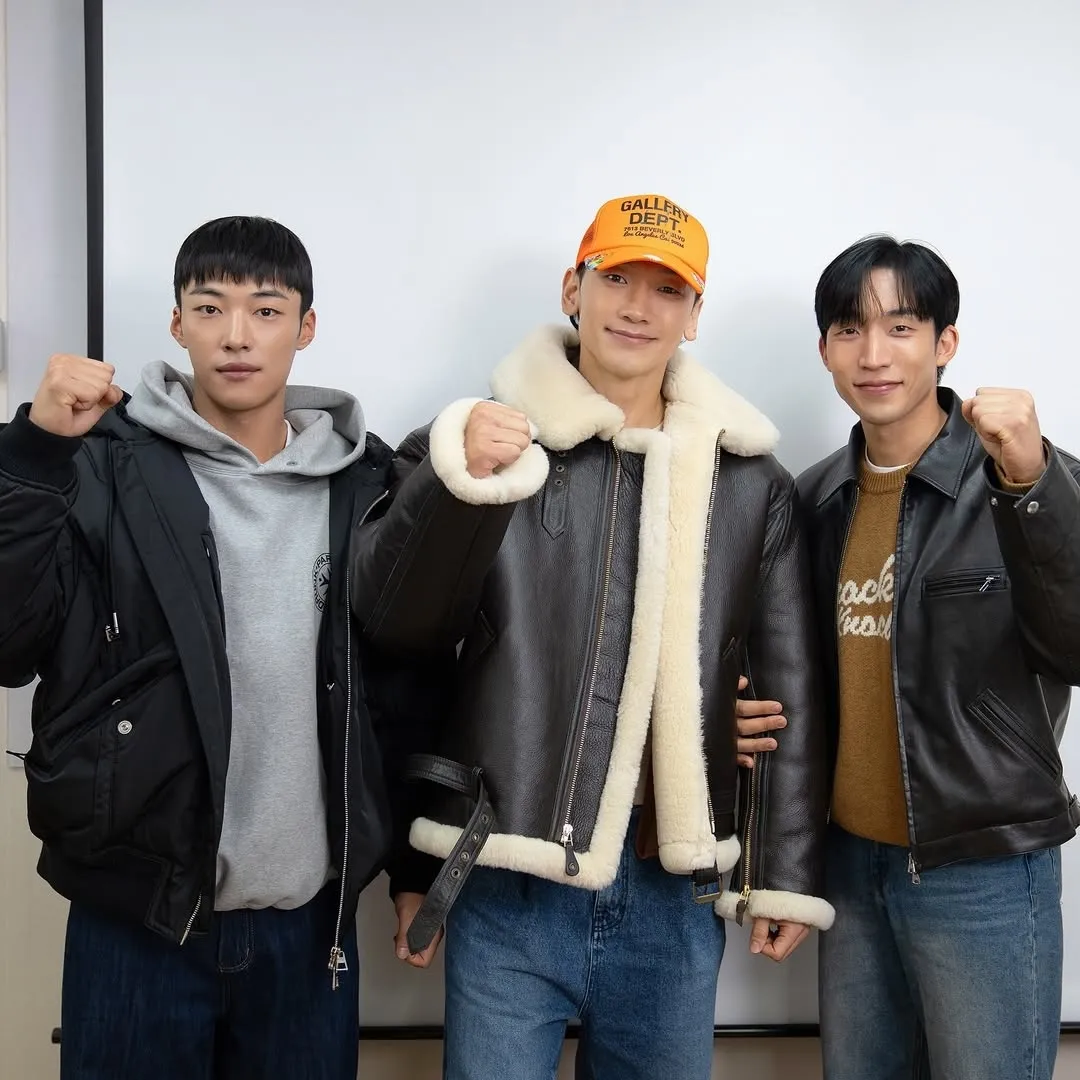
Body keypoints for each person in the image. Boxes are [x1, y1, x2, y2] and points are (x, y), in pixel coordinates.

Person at [349, 194, 835, 1080]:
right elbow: (394, 628)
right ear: (574, 289)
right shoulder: (477, 440)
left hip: (670, 895)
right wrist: (457, 483)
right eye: (616, 279)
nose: (637, 307)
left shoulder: (748, 480)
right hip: (506, 876)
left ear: (694, 316)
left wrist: (786, 874)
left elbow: (786, 684)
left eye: (667, 289)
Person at [0, 216, 443, 1079]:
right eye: (210, 308)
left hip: (307, 929)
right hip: (137, 919)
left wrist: (413, 866)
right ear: (177, 324)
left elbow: (402, 689)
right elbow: (9, 646)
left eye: (266, 311)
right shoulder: (100, 466)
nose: (237, 335)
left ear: (305, 328)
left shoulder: (364, 485)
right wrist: (34, 455)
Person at [743, 234, 1080, 1080]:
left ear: (944, 343)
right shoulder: (815, 497)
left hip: (982, 868)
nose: (874, 354)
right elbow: (797, 683)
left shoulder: (1021, 480)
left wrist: (1031, 485)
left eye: (900, 327)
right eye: (850, 330)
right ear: (825, 350)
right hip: (850, 868)